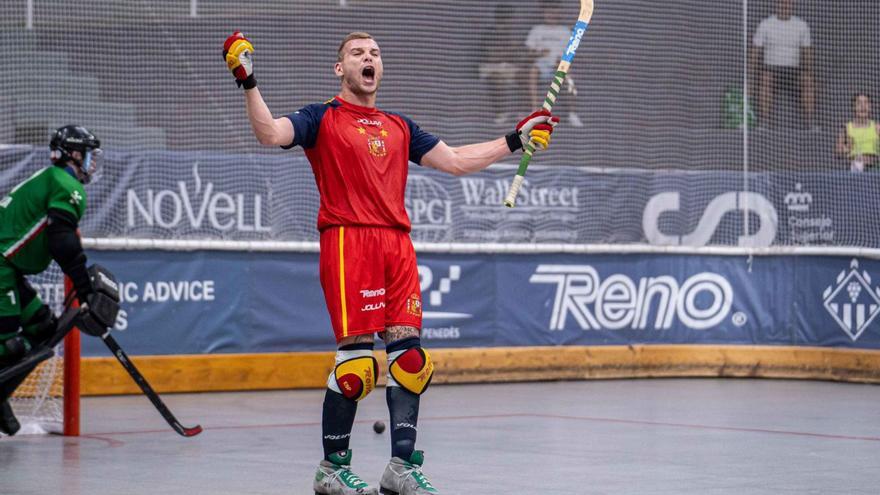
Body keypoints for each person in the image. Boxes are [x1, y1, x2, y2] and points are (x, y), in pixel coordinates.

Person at [223, 30, 559, 495]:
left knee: (411, 361)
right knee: (358, 366)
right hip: (348, 243)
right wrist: (248, 80)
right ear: (339, 69)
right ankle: (332, 469)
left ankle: (400, 468)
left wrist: (516, 139)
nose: (369, 58)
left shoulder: (401, 126)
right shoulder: (320, 118)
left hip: (397, 245)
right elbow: (269, 133)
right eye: (358, 53)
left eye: (376, 53)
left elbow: (458, 160)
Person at [0, 125, 102, 435]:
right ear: (74, 155)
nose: (93, 163)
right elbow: (63, 243)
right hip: (1, 268)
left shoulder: (52, 178)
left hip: (8, 270)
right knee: (10, 346)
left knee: (43, 329)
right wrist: (85, 290)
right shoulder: (65, 184)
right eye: (89, 156)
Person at [750, 0, 815, 128]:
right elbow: (755, 50)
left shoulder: (801, 25)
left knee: (808, 81)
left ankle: (810, 122)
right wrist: (750, 77)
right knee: (765, 79)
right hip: (771, 69)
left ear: (792, 4)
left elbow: (807, 51)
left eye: (788, 3)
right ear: (776, 4)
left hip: (794, 70)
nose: (785, 5)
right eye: (782, 2)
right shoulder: (766, 24)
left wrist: (809, 72)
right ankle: (764, 121)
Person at [525, 0, 582, 127]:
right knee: (532, 71)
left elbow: (572, 54)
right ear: (544, 13)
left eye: (554, 11)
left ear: (559, 12)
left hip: (559, 64)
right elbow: (529, 54)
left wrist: (563, 61)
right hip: (541, 64)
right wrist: (539, 53)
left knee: (569, 76)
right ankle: (534, 110)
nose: (551, 14)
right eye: (548, 11)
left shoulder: (565, 31)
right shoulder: (537, 30)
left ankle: (573, 113)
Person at [478, 3, 524, 125]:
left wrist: (508, 52)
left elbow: (517, 54)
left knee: (524, 77)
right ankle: (500, 112)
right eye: (509, 18)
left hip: (508, 67)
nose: (511, 21)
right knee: (496, 79)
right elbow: (492, 57)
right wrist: (509, 50)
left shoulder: (512, 33)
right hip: (491, 67)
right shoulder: (489, 34)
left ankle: (522, 112)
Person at [836, 93, 880, 171]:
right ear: (854, 107)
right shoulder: (847, 128)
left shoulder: (877, 127)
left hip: (875, 169)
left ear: (870, 107)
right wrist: (847, 148)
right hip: (855, 171)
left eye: (866, 102)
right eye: (859, 103)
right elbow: (838, 152)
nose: (863, 106)